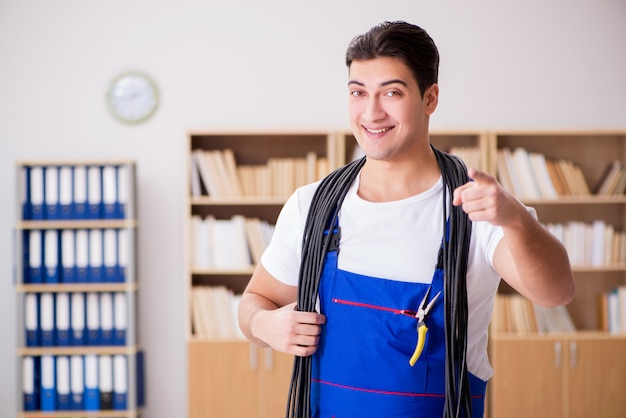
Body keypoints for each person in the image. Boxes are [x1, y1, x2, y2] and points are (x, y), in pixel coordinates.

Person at [238, 20, 575, 417]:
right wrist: (263, 326)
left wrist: (517, 221)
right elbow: (253, 302)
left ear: (430, 98)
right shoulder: (312, 206)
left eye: (391, 92)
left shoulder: (478, 209)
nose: (371, 112)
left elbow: (557, 292)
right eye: (358, 93)